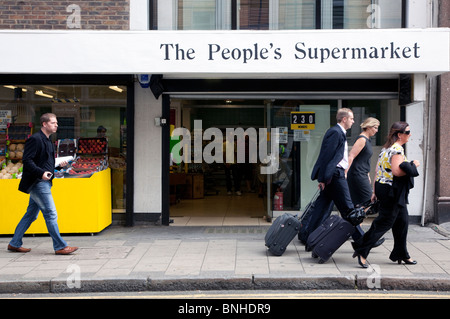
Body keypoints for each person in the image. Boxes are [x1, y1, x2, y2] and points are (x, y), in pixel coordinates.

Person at [8, 113, 78, 255]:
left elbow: (48, 165)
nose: (56, 125)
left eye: (57, 123)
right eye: (53, 123)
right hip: (38, 183)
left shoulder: (48, 141)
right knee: (51, 213)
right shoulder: (35, 139)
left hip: (43, 181)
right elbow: (27, 161)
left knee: (31, 215)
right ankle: (60, 246)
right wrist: (41, 173)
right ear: (44, 124)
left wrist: (60, 166)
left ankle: (14, 243)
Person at [352, 121, 419, 268]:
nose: (410, 135)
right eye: (407, 132)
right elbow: (396, 171)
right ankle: (362, 249)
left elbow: (378, 170)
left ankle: (400, 253)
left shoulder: (386, 148)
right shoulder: (397, 150)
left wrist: (375, 191)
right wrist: (413, 165)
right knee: (384, 223)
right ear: (399, 134)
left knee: (402, 222)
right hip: (391, 191)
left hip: (384, 188)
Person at [298, 108, 356, 244]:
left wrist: (324, 178)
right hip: (335, 175)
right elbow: (326, 157)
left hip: (333, 175)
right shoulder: (335, 133)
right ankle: (363, 241)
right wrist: (323, 178)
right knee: (348, 208)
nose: (353, 121)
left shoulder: (339, 133)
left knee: (321, 208)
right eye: (352, 118)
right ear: (344, 119)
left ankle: (308, 238)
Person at [346, 117, 384, 243]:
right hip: (356, 175)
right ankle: (360, 231)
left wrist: (367, 174)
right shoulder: (362, 139)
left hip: (362, 174)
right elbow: (351, 156)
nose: (376, 130)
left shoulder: (367, 140)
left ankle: (358, 232)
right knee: (369, 202)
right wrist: (345, 173)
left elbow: (363, 160)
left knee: (360, 205)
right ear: (368, 126)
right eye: (375, 127)